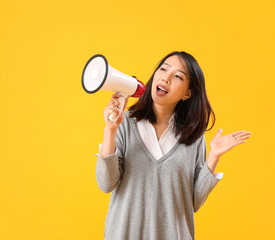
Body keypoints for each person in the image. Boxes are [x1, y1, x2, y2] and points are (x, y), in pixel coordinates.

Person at [95, 51, 251, 240]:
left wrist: (213, 157)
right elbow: (106, 184)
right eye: (163, 69)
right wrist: (110, 130)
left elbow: (192, 202)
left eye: (178, 76)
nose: (166, 78)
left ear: (187, 93)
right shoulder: (124, 123)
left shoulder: (194, 136)